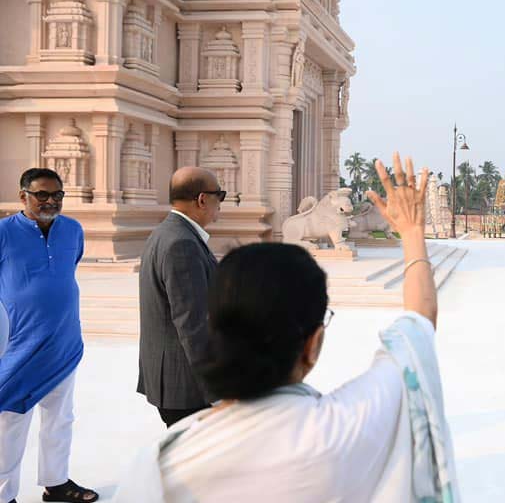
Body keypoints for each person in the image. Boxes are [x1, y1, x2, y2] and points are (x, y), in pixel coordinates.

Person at [115, 152, 458, 502]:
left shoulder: (158, 469)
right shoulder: (344, 429)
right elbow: (418, 327)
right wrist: (413, 233)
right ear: (313, 345)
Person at [0, 168, 98, 503]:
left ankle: (56, 484)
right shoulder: (3, 233)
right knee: (11, 422)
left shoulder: (72, 230)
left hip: (64, 341)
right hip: (19, 345)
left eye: (57, 195)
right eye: (42, 194)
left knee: (60, 417)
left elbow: (68, 269)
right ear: (23, 194)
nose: (50, 201)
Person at [137, 167, 223, 427]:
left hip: (177, 382)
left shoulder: (167, 233)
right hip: (187, 389)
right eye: (220, 195)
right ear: (202, 199)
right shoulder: (181, 243)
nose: (221, 204)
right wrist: (218, 389)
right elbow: (191, 324)